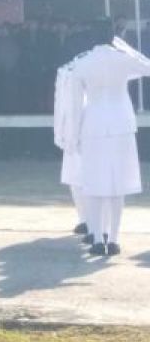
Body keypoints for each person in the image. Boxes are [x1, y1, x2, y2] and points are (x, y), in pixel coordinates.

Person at [66, 25, 150, 256]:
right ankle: (112, 239)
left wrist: (72, 136)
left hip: (92, 125)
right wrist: (127, 49)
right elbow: (148, 67)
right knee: (117, 185)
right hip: (121, 125)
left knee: (93, 184)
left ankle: (95, 237)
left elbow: (74, 106)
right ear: (114, 38)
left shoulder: (82, 63)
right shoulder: (122, 59)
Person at [53, 53, 89, 236]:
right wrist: (60, 131)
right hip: (71, 131)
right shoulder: (64, 72)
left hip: (88, 131)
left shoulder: (88, 71)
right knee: (74, 179)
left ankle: (92, 220)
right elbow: (61, 105)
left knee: (88, 178)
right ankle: (84, 219)